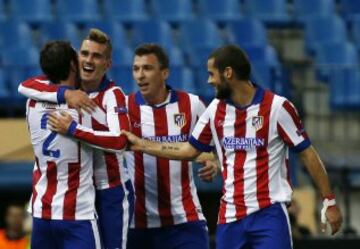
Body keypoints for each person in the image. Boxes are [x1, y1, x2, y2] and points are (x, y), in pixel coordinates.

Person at [121, 44, 343, 249]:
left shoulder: (277, 108)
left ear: (228, 74)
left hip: (269, 214)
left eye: (211, 74)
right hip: (229, 217)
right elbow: (188, 150)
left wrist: (329, 201)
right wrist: (141, 145)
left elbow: (308, 154)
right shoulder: (215, 110)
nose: (209, 81)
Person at [18, 29, 134, 249]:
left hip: (109, 189)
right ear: (75, 60)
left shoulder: (113, 94)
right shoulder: (61, 91)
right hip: (77, 193)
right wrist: (65, 94)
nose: (89, 60)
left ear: (107, 64)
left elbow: (121, 141)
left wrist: (73, 129)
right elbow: (24, 85)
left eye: (96, 56)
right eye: (85, 53)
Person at [124, 44, 215, 249]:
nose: (140, 75)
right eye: (135, 69)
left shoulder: (192, 104)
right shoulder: (124, 107)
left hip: (184, 220)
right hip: (137, 225)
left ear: (164, 73)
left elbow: (213, 147)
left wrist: (212, 163)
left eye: (147, 68)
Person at [25, 40, 101, 249]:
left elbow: (28, 85)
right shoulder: (84, 107)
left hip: (42, 213)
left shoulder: (31, 103)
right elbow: (116, 141)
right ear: (72, 65)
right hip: (76, 214)